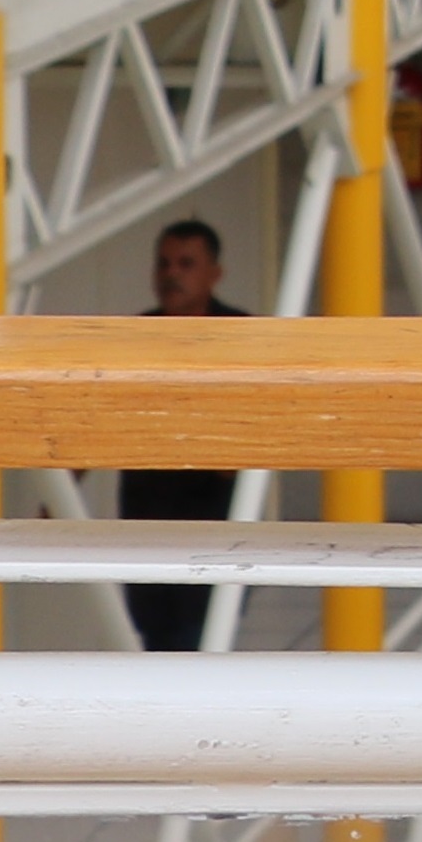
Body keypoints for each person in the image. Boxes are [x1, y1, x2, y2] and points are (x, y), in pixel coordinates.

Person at [116, 215, 250, 653]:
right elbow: (100, 414)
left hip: (213, 522)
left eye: (186, 264)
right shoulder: (134, 338)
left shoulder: (243, 336)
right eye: (165, 264)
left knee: (201, 639)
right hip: (145, 517)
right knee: (156, 638)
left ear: (214, 274)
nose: (172, 274)